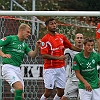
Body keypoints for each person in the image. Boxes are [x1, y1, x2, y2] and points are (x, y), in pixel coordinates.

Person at [40, 18, 82, 100]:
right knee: (48, 92)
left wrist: (83, 51)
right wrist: (58, 58)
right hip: (50, 68)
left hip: (60, 68)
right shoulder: (45, 39)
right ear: (47, 26)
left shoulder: (61, 37)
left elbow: (71, 46)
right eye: (51, 24)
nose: (54, 25)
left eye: (55, 23)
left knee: (61, 92)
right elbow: (44, 55)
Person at [0, 23, 41, 100]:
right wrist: (3, 54)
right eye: (27, 32)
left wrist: (37, 48)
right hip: (8, 68)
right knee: (19, 87)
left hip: (17, 69)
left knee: (21, 95)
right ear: (22, 30)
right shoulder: (10, 38)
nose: (29, 34)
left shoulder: (24, 45)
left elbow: (32, 55)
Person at [61, 33, 84, 100]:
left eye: (81, 38)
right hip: (72, 80)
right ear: (75, 40)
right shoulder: (69, 50)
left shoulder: (89, 50)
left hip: (84, 80)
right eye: (78, 38)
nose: (79, 39)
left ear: (83, 40)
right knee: (65, 98)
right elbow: (63, 62)